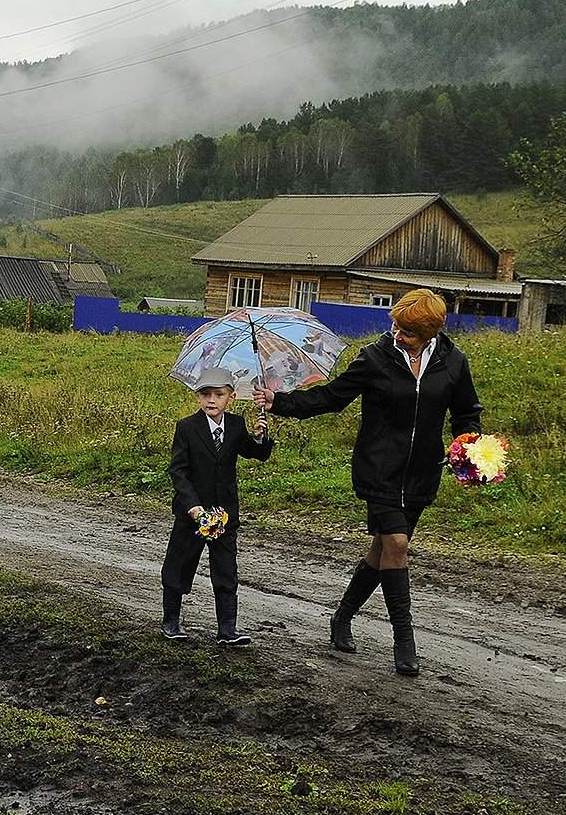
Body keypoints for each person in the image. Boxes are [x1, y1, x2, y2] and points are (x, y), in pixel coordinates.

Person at [253, 289, 482, 676]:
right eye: (395, 325)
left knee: (382, 551)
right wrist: (281, 403)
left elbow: (466, 412)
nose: (397, 333)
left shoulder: (453, 362)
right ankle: (404, 639)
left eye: (407, 330)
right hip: (379, 469)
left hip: (421, 473)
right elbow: (332, 397)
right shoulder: (374, 358)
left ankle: (341, 617)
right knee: (397, 544)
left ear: (429, 332)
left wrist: (467, 443)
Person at [162, 367, 274, 645]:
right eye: (205, 394)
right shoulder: (187, 427)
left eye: (218, 395)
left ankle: (227, 630)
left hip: (224, 515)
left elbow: (254, 452)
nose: (211, 400)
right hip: (193, 515)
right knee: (179, 566)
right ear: (198, 397)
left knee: (225, 569)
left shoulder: (235, 425)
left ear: (231, 397)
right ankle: (171, 621)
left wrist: (260, 437)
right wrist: (193, 507)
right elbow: (178, 470)